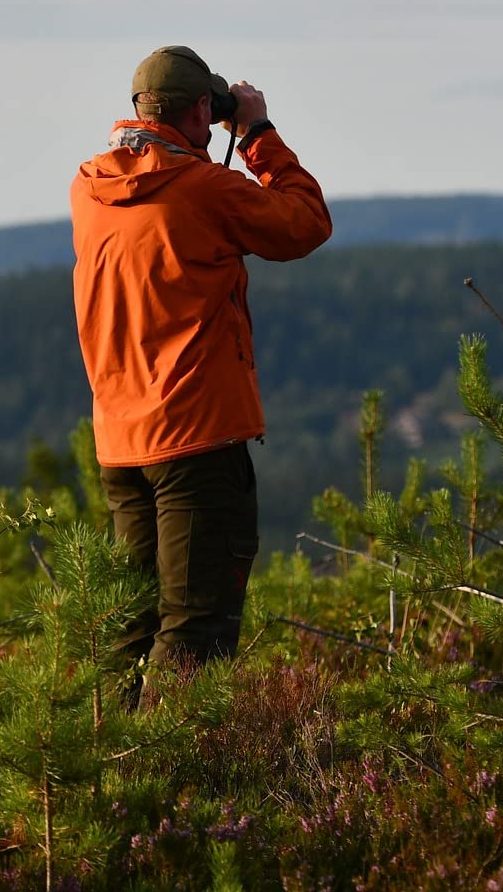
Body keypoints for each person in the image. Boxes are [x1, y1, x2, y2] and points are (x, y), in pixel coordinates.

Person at [70, 45, 332, 670]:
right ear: (197, 113)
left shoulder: (88, 189)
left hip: (121, 446)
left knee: (131, 627)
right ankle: (179, 767)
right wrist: (256, 133)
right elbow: (305, 223)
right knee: (196, 630)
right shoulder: (206, 189)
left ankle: (107, 760)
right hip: (197, 441)